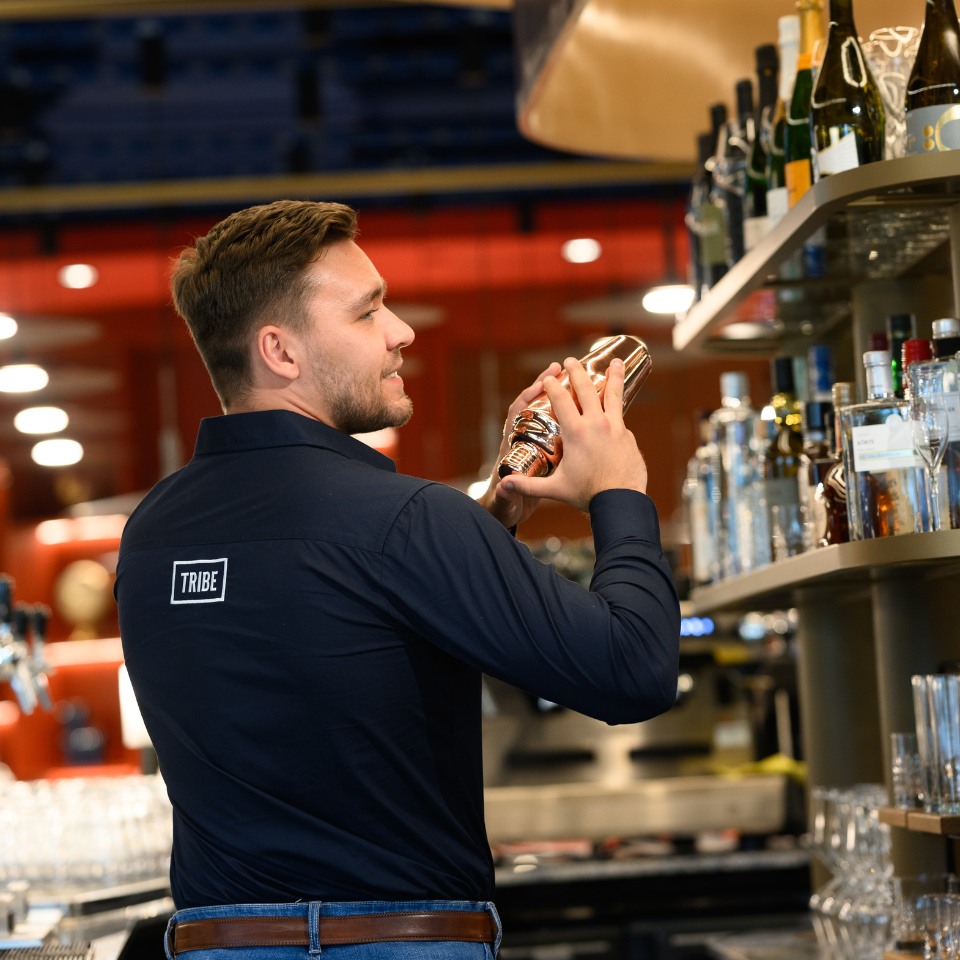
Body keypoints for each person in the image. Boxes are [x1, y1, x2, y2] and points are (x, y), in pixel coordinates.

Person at [114, 199, 680, 960]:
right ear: (280, 351)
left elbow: (333, 626)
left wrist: (492, 515)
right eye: (367, 311)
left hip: (218, 945)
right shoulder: (406, 520)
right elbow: (633, 671)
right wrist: (620, 492)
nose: (402, 330)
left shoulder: (149, 534)